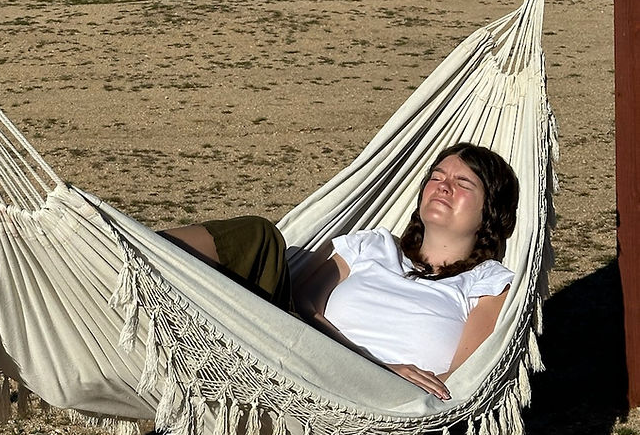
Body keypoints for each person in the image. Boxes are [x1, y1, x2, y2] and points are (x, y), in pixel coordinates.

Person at [161, 143, 518, 401]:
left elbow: (463, 377)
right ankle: (122, 256)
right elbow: (301, 301)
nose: (443, 185)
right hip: (295, 356)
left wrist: (383, 381)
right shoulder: (376, 245)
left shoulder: (487, 282)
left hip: (369, 402)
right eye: (437, 176)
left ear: (491, 211)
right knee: (259, 237)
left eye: (463, 183)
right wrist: (367, 361)